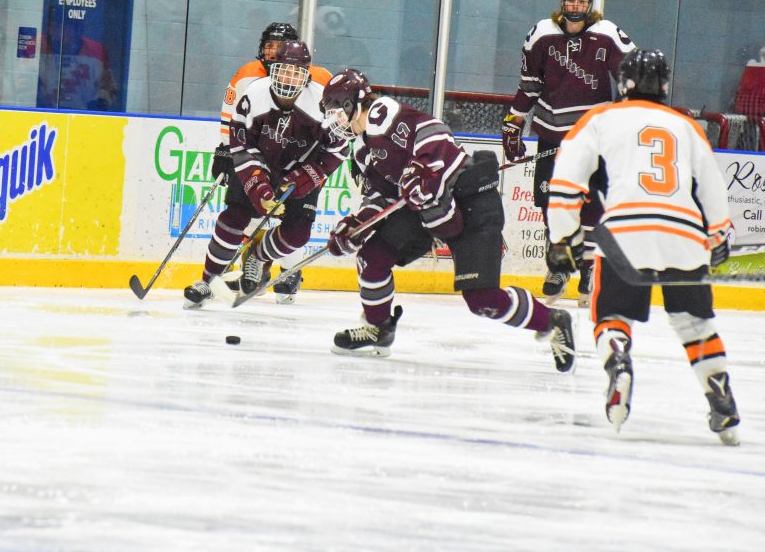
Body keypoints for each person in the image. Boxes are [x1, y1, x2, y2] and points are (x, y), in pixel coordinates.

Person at [321, 69, 575, 371]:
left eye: (337, 112)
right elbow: (381, 198)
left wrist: (424, 168)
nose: (335, 121)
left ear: (354, 104)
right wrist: (357, 227)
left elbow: (434, 130)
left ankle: (553, 322)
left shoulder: (383, 114)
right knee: (372, 257)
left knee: (483, 300)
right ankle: (379, 328)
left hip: (469, 198)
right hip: (428, 211)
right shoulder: (362, 149)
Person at [546, 49, 740, 444]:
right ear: (666, 86)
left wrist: (561, 238)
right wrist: (720, 232)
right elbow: (712, 185)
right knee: (694, 323)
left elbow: (566, 182)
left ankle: (618, 362)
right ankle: (720, 397)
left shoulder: (599, 118)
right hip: (685, 233)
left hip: (624, 232)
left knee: (612, 313)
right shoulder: (687, 125)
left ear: (623, 83)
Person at [184, 40, 349, 308]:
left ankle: (258, 257)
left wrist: (308, 175)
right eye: (284, 70)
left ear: (307, 74)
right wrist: (257, 184)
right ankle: (208, 280)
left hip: (300, 170)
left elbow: (340, 148)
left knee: (298, 232)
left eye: (296, 72)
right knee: (233, 218)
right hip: (261, 162)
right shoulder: (253, 94)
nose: (289, 78)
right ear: (273, 69)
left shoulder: (322, 102)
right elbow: (240, 143)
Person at [502, 0, 636, 306]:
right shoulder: (541, 34)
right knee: (552, 206)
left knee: (591, 207)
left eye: (581, 1)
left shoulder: (607, 34)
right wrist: (513, 123)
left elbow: (633, 81)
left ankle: (589, 267)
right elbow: (529, 86)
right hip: (551, 134)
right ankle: (558, 267)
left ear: (589, 5)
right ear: (563, 1)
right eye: (571, 0)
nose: (576, 6)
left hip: (594, 141)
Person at [211, 22, 333, 303]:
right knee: (251, 212)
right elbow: (231, 115)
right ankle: (250, 267)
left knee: (295, 220)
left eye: (280, 48)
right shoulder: (247, 76)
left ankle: (289, 272)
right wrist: (224, 150)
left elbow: (340, 119)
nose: (273, 53)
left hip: (301, 161)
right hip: (262, 156)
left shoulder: (320, 79)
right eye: (269, 46)